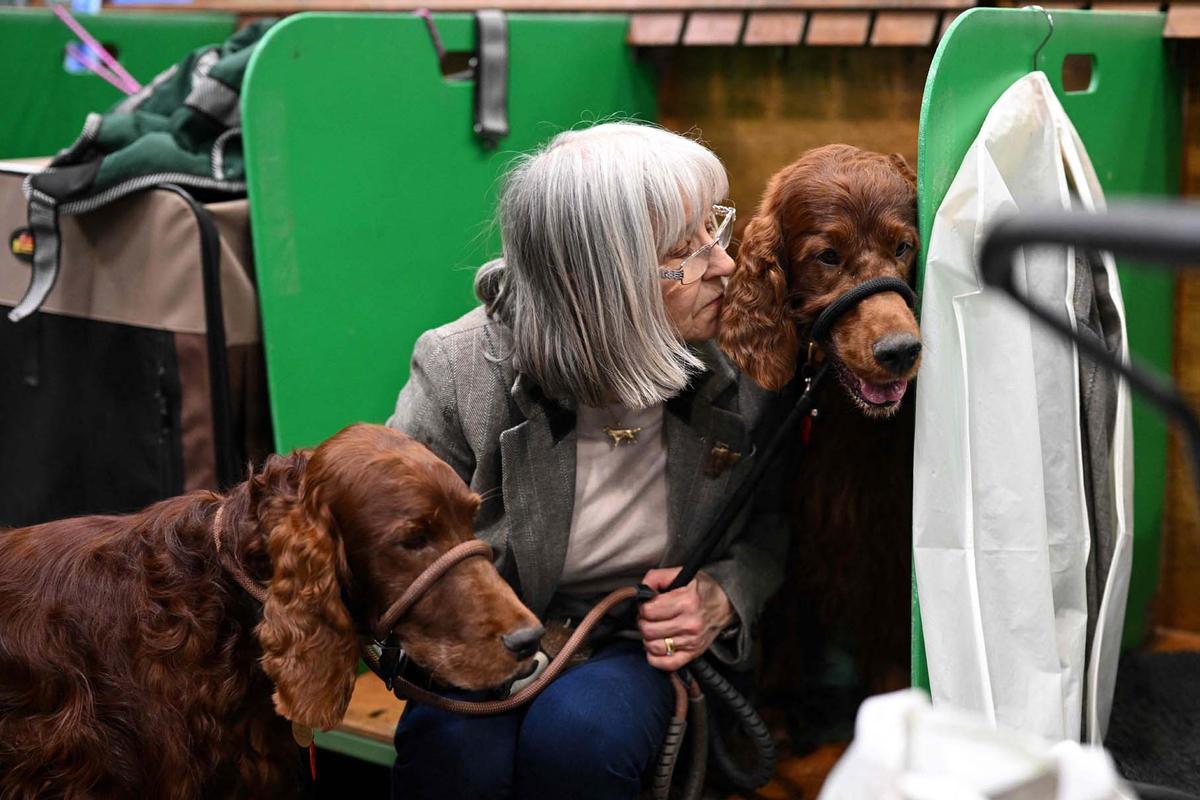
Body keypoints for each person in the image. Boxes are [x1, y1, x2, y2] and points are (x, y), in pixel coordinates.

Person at [387, 121, 787, 800]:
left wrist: (722, 595)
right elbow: (396, 546)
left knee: (581, 739)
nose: (724, 265)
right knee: (454, 753)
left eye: (716, 231)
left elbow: (773, 523)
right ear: (589, 281)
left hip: (638, 644)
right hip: (494, 634)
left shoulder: (744, 354)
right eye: (684, 252)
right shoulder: (459, 373)